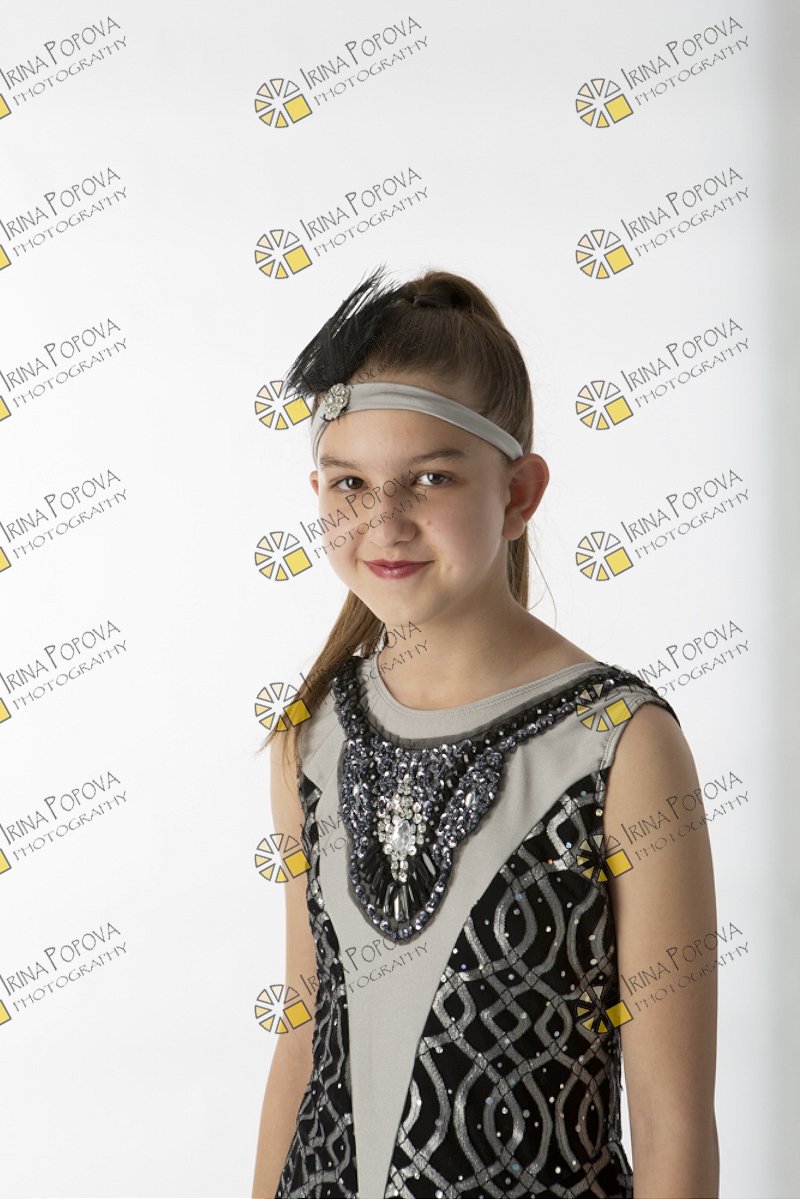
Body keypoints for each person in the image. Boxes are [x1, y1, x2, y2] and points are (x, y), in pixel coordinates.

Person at [251, 266, 719, 1199]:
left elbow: (674, 1122)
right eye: (351, 483)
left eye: (431, 477)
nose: (385, 520)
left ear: (519, 492)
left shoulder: (620, 745)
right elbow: (302, 1045)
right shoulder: (312, 734)